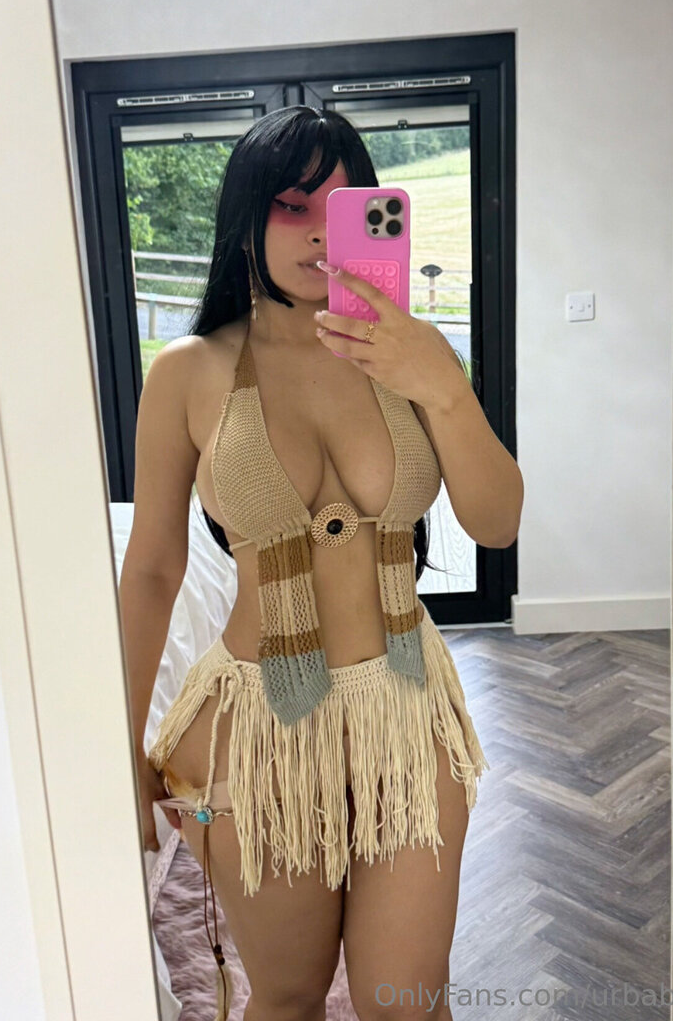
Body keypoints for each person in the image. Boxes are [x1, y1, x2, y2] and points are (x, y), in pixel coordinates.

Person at [120, 105, 522, 1021]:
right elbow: (151, 569)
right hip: (257, 727)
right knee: (289, 996)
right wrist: (120, 739)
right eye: (292, 206)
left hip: (407, 711)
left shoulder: (413, 359)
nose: (315, 233)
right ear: (245, 219)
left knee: (405, 1000)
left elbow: (497, 524)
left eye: (340, 209)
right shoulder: (188, 371)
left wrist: (443, 385)